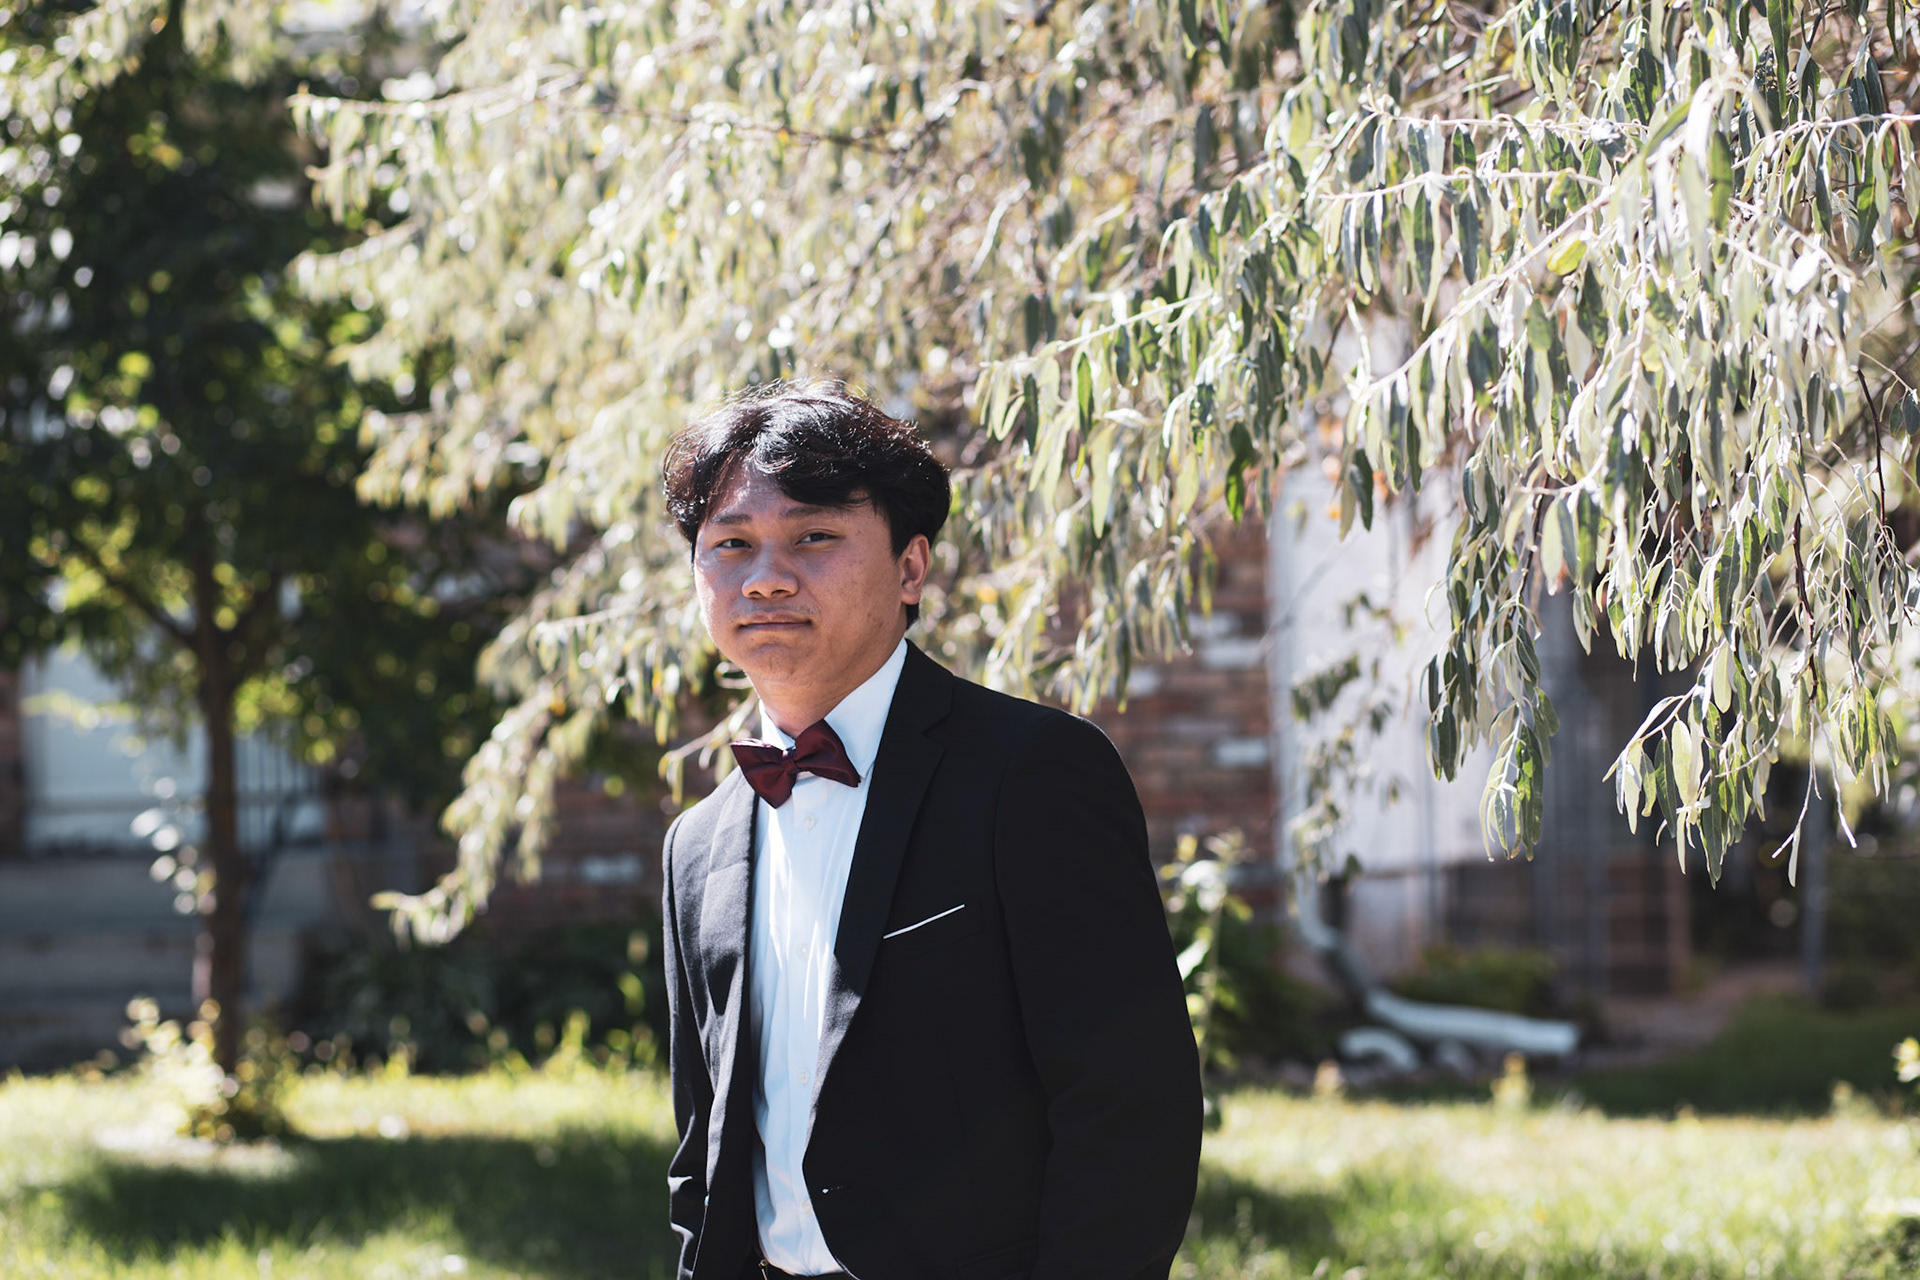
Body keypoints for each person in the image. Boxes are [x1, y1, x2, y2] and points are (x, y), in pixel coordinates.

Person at [658, 379, 1202, 1280]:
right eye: (731, 544)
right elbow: (701, 1153)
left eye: (814, 536)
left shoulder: (1032, 774)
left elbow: (1130, 1113)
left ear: (911, 569)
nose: (766, 577)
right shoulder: (697, 845)